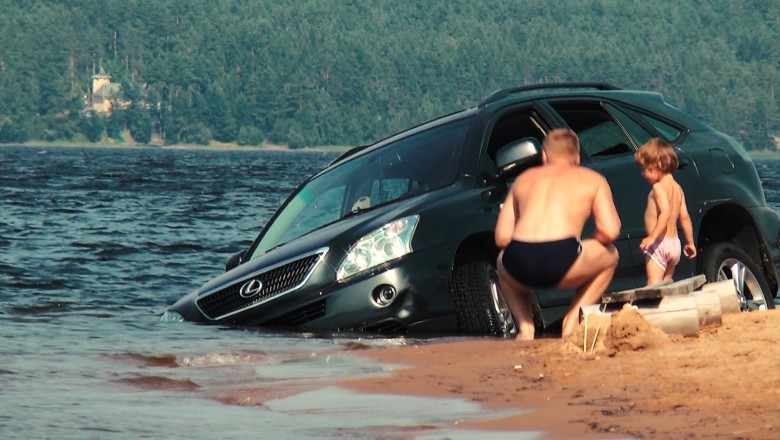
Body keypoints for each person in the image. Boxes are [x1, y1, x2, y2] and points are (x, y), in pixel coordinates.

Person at [495, 128, 621, 340]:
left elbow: (502, 238)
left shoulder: (523, 179)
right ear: (577, 158)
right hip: (564, 258)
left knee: (501, 260)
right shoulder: (592, 179)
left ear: (544, 156)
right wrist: (587, 243)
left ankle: (526, 329)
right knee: (611, 255)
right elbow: (610, 231)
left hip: (520, 262)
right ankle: (572, 321)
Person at [635, 138, 696, 285]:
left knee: (653, 285)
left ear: (659, 165)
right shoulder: (678, 188)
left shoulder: (658, 187)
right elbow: (685, 217)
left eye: (645, 169)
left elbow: (665, 212)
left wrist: (652, 238)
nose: (643, 174)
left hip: (659, 243)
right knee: (667, 284)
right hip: (674, 244)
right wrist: (690, 242)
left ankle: (654, 308)